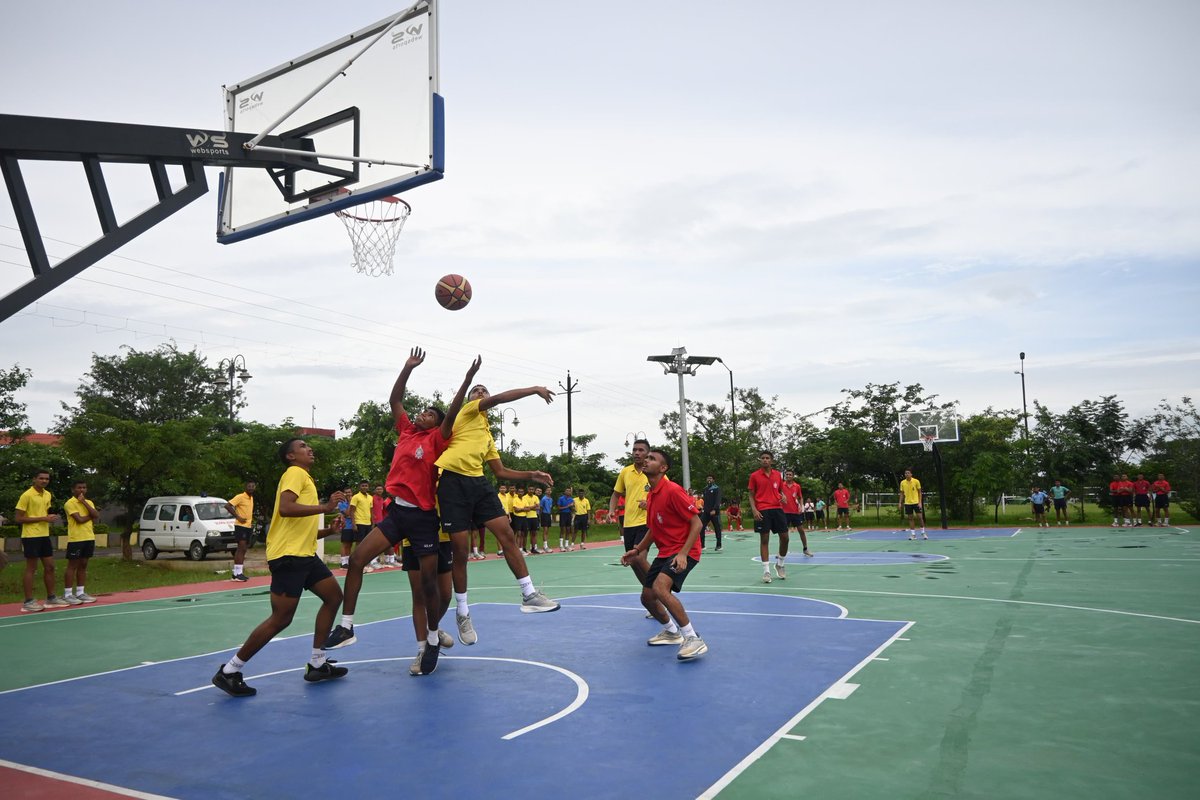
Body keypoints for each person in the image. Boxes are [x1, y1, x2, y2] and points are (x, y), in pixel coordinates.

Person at [325, 349, 479, 674]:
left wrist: (466, 382)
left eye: (429, 413)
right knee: (356, 560)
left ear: (437, 424)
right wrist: (407, 369)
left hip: (424, 519)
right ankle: (348, 626)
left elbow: (451, 413)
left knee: (429, 589)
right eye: (421, 411)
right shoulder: (407, 432)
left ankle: (432, 640)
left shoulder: (438, 439)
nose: (422, 414)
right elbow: (394, 400)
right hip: (397, 513)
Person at [211, 439, 348, 697]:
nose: (310, 449)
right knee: (281, 618)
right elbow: (285, 509)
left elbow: (300, 530)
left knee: (333, 597)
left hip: (304, 555)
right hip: (289, 557)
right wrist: (325, 507)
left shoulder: (304, 477)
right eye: (303, 446)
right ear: (290, 456)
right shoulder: (294, 473)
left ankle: (317, 663)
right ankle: (229, 671)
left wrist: (328, 530)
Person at [435, 379, 561, 646]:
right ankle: (462, 612)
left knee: (507, 534)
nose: (480, 392)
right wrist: (533, 389)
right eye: (476, 390)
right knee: (460, 550)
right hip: (453, 480)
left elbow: (500, 471)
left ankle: (528, 594)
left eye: (484, 390)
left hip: (478, 482)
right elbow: (500, 399)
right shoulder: (468, 412)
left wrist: (532, 474)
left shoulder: (487, 433)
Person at [620, 448, 708, 660]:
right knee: (647, 598)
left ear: (663, 468)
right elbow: (653, 529)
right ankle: (671, 632)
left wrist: (683, 554)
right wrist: (638, 549)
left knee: (660, 588)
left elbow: (697, 523)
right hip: (666, 552)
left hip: (684, 551)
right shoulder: (651, 496)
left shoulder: (673, 490)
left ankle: (693, 638)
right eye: (646, 457)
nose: (646, 460)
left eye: (652, 458)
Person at [16, 469, 66, 612]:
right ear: (34, 479)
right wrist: (43, 518)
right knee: (31, 568)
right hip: (31, 536)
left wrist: (49, 517)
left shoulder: (48, 494)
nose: (44, 481)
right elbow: (19, 518)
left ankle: (51, 598)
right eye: (41, 478)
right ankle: (28, 602)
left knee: (50, 566)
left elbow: (44, 513)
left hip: (44, 535)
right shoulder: (27, 495)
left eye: (47, 479)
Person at [749, 451, 789, 583]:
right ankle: (766, 571)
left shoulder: (778, 474)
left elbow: (780, 490)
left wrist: (782, 496)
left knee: (785, 538)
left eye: (767, 458)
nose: (765, 460)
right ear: (760, 460)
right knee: (764, 540)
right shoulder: (754, 476)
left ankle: (780, 564)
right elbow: (751, 495)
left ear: (771, 460)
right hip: (762, 510)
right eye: (763, 458)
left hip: (777, 509)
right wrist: (754, 510)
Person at [609, 439, 651, 553]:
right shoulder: (625, 472)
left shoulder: (653, 471)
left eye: (641, 450)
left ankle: (657, 572)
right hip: (628, 523)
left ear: (648, 453)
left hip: (646, 522)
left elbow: (665, 494)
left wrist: (650, 504)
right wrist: (611, 510)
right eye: (634, 450)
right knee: (631, 559)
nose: (636, 453)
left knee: (639, 557)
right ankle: (653, 572)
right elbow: (616, 494)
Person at [62, 480, 100, 604]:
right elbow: (79, 519)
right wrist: (91, 516)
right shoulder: (70, 503)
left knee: (83, 564)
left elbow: (96, 515)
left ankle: (80, 592)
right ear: (73, 489)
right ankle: (68, 594)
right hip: (76, 539)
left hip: (89, 537)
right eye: (79, 487)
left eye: (84, 487)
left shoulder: (89, 502)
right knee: (72, 566)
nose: (82, 490)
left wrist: (84, 502)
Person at [224, 480, 256, 582]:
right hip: (240, 526)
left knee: (243, 549)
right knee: (241, 548)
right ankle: (238, 573)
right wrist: (238, 517)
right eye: (249, 486)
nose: (251, 488)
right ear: (245, 487)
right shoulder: (240, 496)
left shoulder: (251, 498)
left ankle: (237, 572)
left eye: (253, 486)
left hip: (248, 526)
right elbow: (228, 505)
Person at [781, 470, 813, 558]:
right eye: (786, 474)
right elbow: (777, 494)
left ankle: (805, 549)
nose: (788, 476)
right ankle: (782, 552)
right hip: (784, 512)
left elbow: (800, 497)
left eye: (790, 474)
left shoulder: (797, 486)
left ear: (793, 476)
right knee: (783, 534)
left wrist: (801, 506)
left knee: (801, 531)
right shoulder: (781, 485)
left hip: (795, 512)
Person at [899, 468, 925, 539]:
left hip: (916, 502)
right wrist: (900, 503)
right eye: (905, 473)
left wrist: (920, 502)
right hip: (907, 503)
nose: (906, 474)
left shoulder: (916, 481)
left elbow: (920, 492)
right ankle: (913, 535)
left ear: (911, 474)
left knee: (920, 518)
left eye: (908, 473)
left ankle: (923, 533)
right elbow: (901, 493)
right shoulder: (902, 483)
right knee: (910, 519)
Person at [700, 474, 723, 552]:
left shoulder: (717, 488)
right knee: (701, 527)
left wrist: (714, 509)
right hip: (706, 511)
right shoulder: (705, 489)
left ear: (713, 480)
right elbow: (705, 501)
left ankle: (719, 545)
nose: (709, 480)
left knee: (717, 528)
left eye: (710, 478)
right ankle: (702, 545)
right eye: (708, 478)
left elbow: (718, 500)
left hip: (714, 512)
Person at [538, 485, 554, 553]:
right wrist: (540, 516)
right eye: (548, 490)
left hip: (548, 515)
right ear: (545, 491)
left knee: (547, 531)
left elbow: (550, 508)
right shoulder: (543, 499)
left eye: (550, 490)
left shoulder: (551, 499)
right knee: (545, 530)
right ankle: (545, 546)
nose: (549, 491)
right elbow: (541, 508)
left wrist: (550, 515)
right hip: (544, 515)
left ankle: (546, 545)